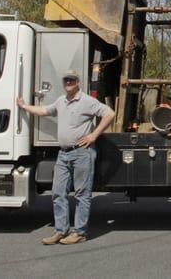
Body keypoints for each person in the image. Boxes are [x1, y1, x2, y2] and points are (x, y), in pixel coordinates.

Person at [17, 69, 115, 245]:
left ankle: (79, 232)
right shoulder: (61, 101)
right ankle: (61, 231)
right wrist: (24, 107)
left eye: (71, 80)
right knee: (58, 192)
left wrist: (93, 136)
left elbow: (109, 114)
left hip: (82, 153)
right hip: (63, 153)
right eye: (66, 80)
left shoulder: (87, 101)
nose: (68, 82)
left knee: (81, 194)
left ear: (78, 82)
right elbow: (44, 110)